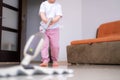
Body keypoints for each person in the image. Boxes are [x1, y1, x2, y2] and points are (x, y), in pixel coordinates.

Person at [39, 0, 62, 67]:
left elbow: (58, 16)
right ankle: (45, 60)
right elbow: (42, 14)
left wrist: (53, 21)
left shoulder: (58, 6)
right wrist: (46, 21)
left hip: (54, 29)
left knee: (55, 46)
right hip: (43, 28)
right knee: (44, 45)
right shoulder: (43, 4)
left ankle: (55, 60)